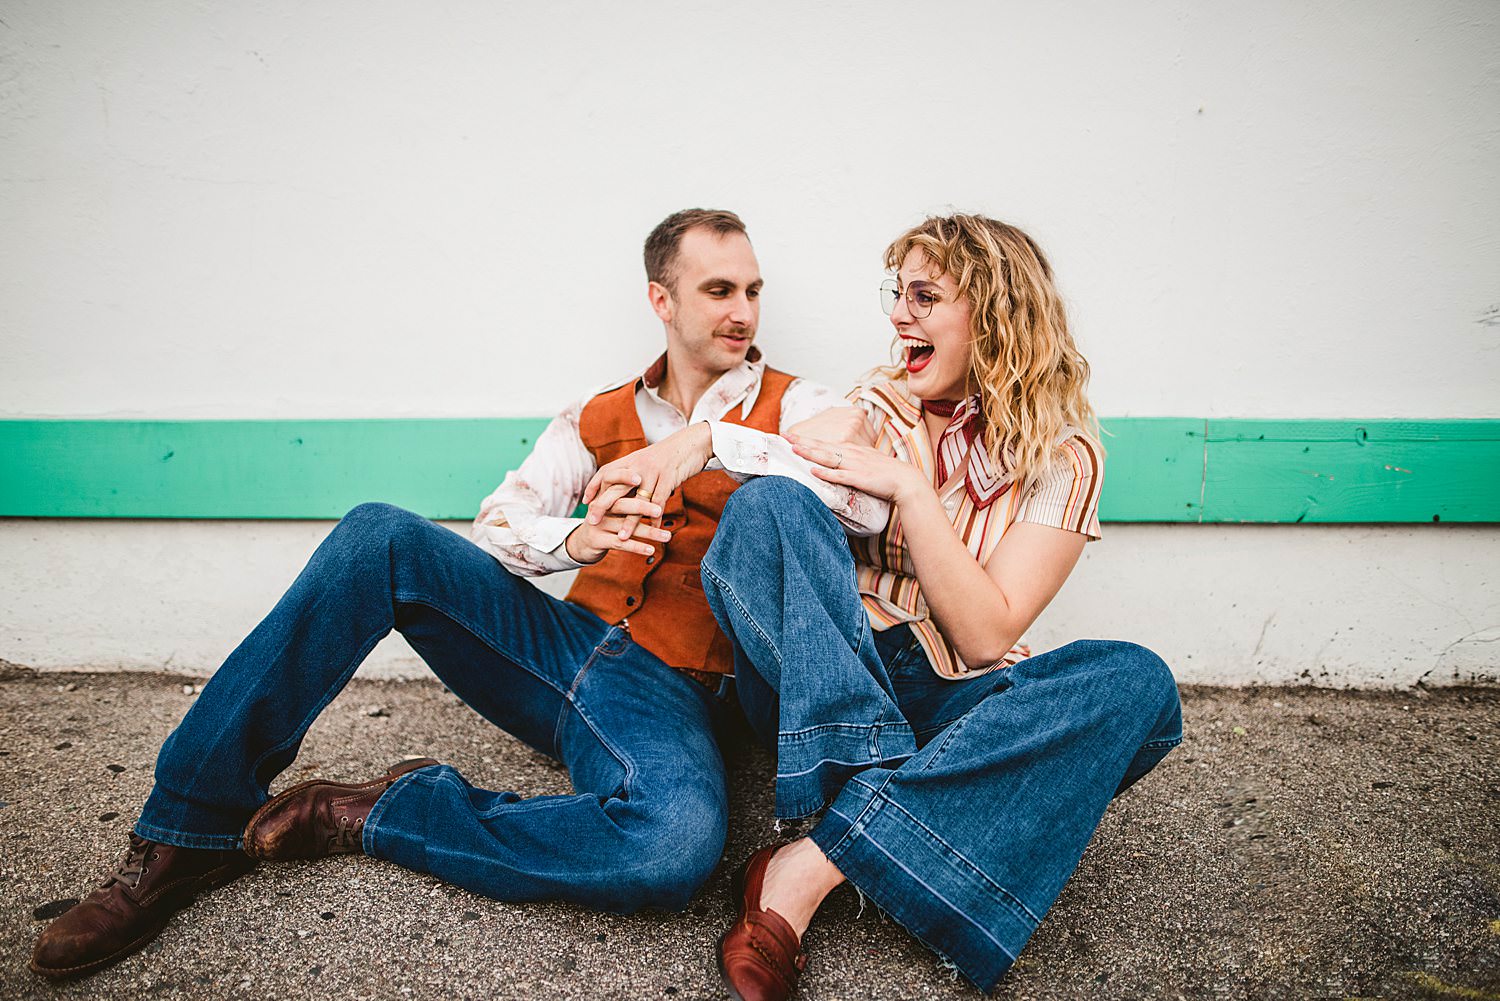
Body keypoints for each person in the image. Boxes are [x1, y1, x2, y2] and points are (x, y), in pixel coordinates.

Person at [29, 208, 879, 981]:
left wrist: (706, 442)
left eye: (755, 291)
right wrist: (573, 540)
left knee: (672, 847)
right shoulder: (596, 413)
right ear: (661, 298)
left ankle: (383, 810)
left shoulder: (799, 402)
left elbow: (864, 496)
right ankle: (187, 832)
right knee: (381, 537)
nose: (744, 311)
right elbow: (498, 522)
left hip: (676, 697)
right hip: (562, 647)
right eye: (720, 290)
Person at [695, 214, 1183, 998]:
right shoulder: (879, 402)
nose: (898, 316)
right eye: (899, 294)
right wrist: (716, 443)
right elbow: (798, 467)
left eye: (924, 297)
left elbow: (986, 635)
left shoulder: (1063, 455)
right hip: (827, 666)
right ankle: (891, 789)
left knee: (1136, 683)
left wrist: (912, 490)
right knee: (767, 510)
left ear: (992, 315)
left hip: (951, 690)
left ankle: (812, 859)